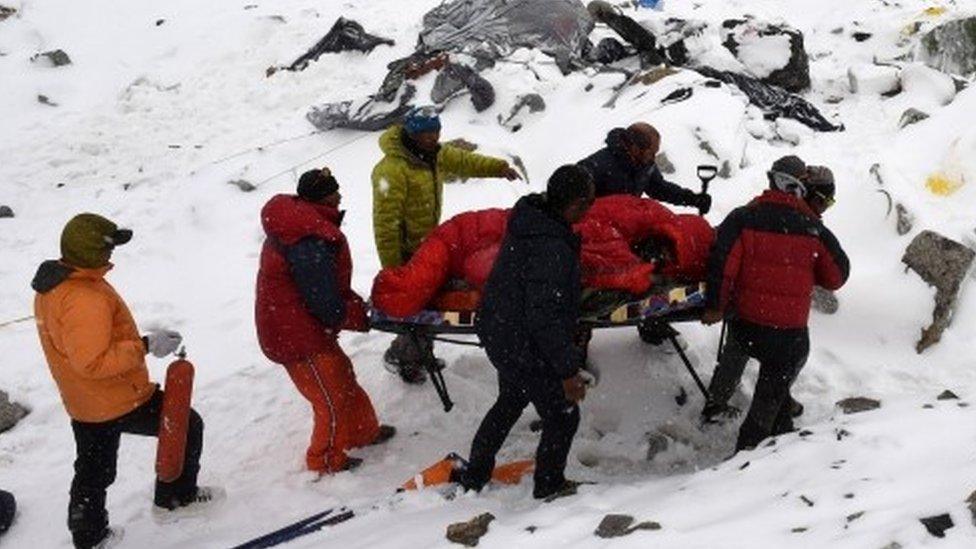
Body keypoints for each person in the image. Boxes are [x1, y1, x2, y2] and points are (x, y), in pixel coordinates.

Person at [32, 213, 221, 549]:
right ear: (92, 252)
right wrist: (146, 347)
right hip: (118, 396)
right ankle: (175, 498)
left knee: (93, 471)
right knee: (186, 425)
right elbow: (92, 362)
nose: (112, 255)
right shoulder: (83, 298)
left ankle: (89, 537)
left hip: (84, 401)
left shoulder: (56, 285)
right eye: (109, 248)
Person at [460, 165, 595, 501]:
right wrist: (567, 371)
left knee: (510, 400)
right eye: (588, 203)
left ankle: (475, 474)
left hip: (502, 330)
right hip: (522, 339)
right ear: (576, 204)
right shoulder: (550, 245)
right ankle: (549, 486)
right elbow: (543, 315)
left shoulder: (532, 222)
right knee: (563, 414)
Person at [700, 157, 849, 452]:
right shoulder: (812, 229)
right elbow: (837, 276)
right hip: (787, 335)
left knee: (738, 351)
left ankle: (721, 404)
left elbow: (721, 263)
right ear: (796, 188)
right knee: (771, 390)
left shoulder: (743, 217)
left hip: (745, 324)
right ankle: (749, 453)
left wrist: (716, 305)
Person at [256, 168, 395, 474]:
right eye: (335, 191)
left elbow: (325, 291)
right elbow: (323, 300)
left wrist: (355, 309)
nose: (340, 195)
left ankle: (362, 432)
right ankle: (325, 460)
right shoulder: (307, 239)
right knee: (330, 397)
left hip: (302, 324)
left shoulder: (304, 226)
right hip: (293, 334)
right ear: (322, 198)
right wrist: (359, 316)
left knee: (342, 376)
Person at [371, 106, 522, 384]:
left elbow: (465, 161)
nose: (433, 138)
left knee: (428, 304)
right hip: (406, 252)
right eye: (427, 133)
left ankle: (416, 352)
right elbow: (385, 225)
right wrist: (395, 270)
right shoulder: (392, 170)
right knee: (415, 305)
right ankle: (404, 357)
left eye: (436, 131)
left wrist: (499, 168)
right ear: (413, 134)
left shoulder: (434, 155)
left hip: (429, 245)